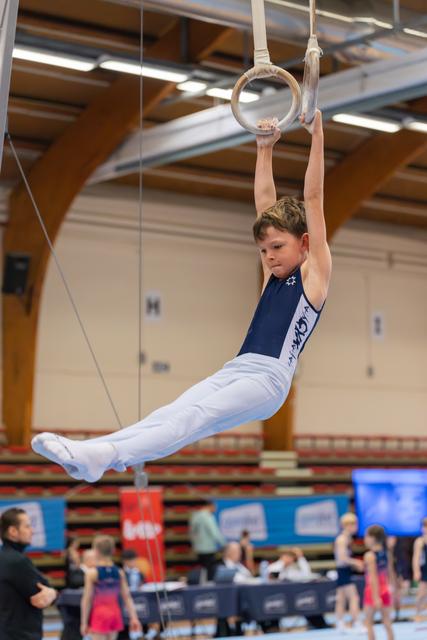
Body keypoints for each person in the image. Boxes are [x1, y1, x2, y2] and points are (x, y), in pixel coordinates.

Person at [31, 109, 331, 484]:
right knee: (172, 412)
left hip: (269, 380)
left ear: (304, 244)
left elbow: (314, 198)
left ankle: (107, 455)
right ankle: (96, 453)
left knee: (194, 417)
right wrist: (264, 149)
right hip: (237, 369)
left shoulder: (312, 274)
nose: (269, 256)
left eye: (277, 247)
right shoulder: (275, 271)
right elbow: (264, 203)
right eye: (262, 250)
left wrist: (317, 135)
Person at [0, 507, 58, 640]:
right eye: (27, 526)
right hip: (21, 634)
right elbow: (41, 594)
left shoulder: (5, 557)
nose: (32, 531)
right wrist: (53, 593)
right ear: (13, 531)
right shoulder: (17, 561)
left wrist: (51, 593)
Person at [80, 535, 141, 640]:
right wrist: (134, 618)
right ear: (113, 551)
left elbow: (87, 599)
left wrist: (84, 622)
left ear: (96, 551)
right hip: (115, 614)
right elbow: (127, 597)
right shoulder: (119, 572)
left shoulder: (92, 573)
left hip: (100, 615)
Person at [265, 549, 329, 631]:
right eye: (288, 557)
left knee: (308, 598)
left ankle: (317, 623)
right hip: (276, 598)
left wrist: (301, 558)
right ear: (282, 557)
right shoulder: (273, 567)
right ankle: (272, 627)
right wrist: (283, 563)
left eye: (292, 558)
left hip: (291, 597)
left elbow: (306, 574)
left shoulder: (291, 570)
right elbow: (270, 578)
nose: (290, 560)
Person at [334, 512, 365, 633]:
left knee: (341, 598)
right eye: (355, 524)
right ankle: (357, 622)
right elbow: (342, 558)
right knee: (354, 598)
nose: (357, 527)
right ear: (348, 525)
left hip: (344, 570)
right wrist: (356, 563)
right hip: (343, 570)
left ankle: (340, 623)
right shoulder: (342, 539)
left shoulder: (346, 538)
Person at [363, 524, 395, 640]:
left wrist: (376, 597)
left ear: (373, 538)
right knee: (387, 622)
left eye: (366, 536)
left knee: (368, 622)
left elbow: (373, 578)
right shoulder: (386, 553)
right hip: (386, 590)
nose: (364, 539)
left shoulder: (370, 555)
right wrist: (393, 590)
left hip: (372, 591)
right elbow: (391, 573)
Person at [190, 501, 225, 580]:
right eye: (214, 507)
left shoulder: (195, 516)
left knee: (203, 569)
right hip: (208, 549)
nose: (215, 509)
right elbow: (214, 532)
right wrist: (224, 544)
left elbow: (192, 532)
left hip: (199, 549)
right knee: (210, 571)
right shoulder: (208, 516)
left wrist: (195, 545)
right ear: (210, 506)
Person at [413, 517, 427, 622]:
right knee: (422, 593)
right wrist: (416, 571)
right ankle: (417, 612)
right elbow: (416, 557)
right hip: (424, 569)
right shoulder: (420, 541)